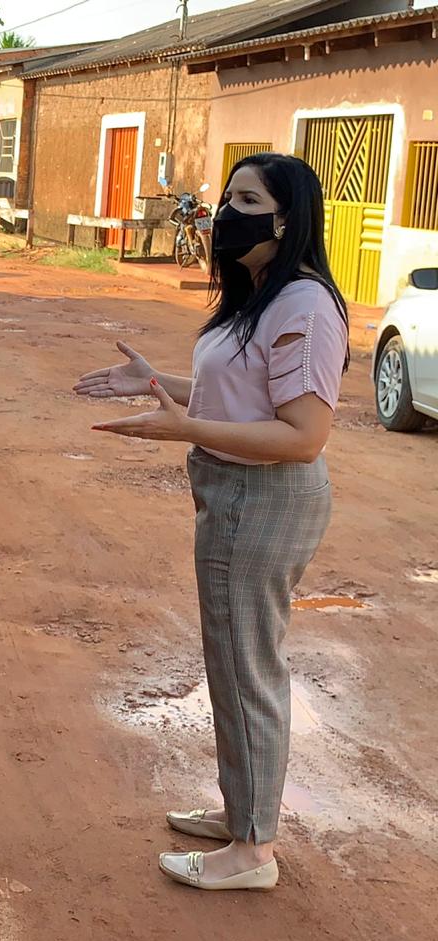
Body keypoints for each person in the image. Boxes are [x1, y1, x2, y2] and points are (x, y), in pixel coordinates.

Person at [73, 153, 349, 891]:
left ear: (287, 220)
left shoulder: (304, 306)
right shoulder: (261, 296)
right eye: (225, 197)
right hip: (233, 496)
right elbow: (244, 397)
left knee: (247, 667)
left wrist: (180, 429)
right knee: (232, 661)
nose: (225, 212)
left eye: (246, 199)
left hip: (263, 502)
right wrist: (161, 384)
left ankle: (252, 851)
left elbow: (303, 434)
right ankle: (242, 813)